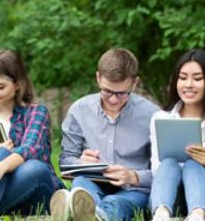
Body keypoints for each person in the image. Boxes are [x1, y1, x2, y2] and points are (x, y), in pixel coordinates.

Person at [50, 48, 159, 221]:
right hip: (92, 182)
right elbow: (65, 161)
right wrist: (80, 163)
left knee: (116, 202)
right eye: (107, 91)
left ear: (134, 83)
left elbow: (164, 170)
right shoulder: (79, 110)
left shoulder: (153, 115)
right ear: (98, 78)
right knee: (81, 186)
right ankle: (87, 212)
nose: (114, 99)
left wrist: (133, 176)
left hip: (133, 189)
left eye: (122, 93)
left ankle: (83, 214)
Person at [0, 50, 64, 221]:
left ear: (17, 85)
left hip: (38, 189)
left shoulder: (36, 112)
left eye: (0, 87)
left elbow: (31, 149)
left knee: (34, 167)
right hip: (6, 195)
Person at [149, 49, 205, 221]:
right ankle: (161, 214)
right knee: (169, 162)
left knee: (193, 165)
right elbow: (157, 170)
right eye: (182, 78)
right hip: (169, 195)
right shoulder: (161, 118)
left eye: (197, 79)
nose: (188, 84)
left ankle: (197, 215)